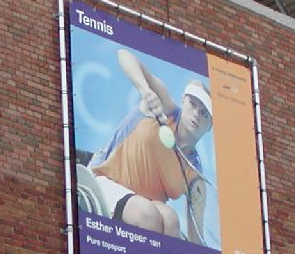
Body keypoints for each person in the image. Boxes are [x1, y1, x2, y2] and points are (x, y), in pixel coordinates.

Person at [87, 49, 213, 243]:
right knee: (149, 216)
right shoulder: (164, 107)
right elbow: (124, 55)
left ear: (209, 127)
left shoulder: (196, 177)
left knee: (171, 220)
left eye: (204, 113)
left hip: (146, 203)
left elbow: (197, 241)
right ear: (183, 102)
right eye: (193, 105)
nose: (196, 114)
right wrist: (145, 90)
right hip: (106, 178)